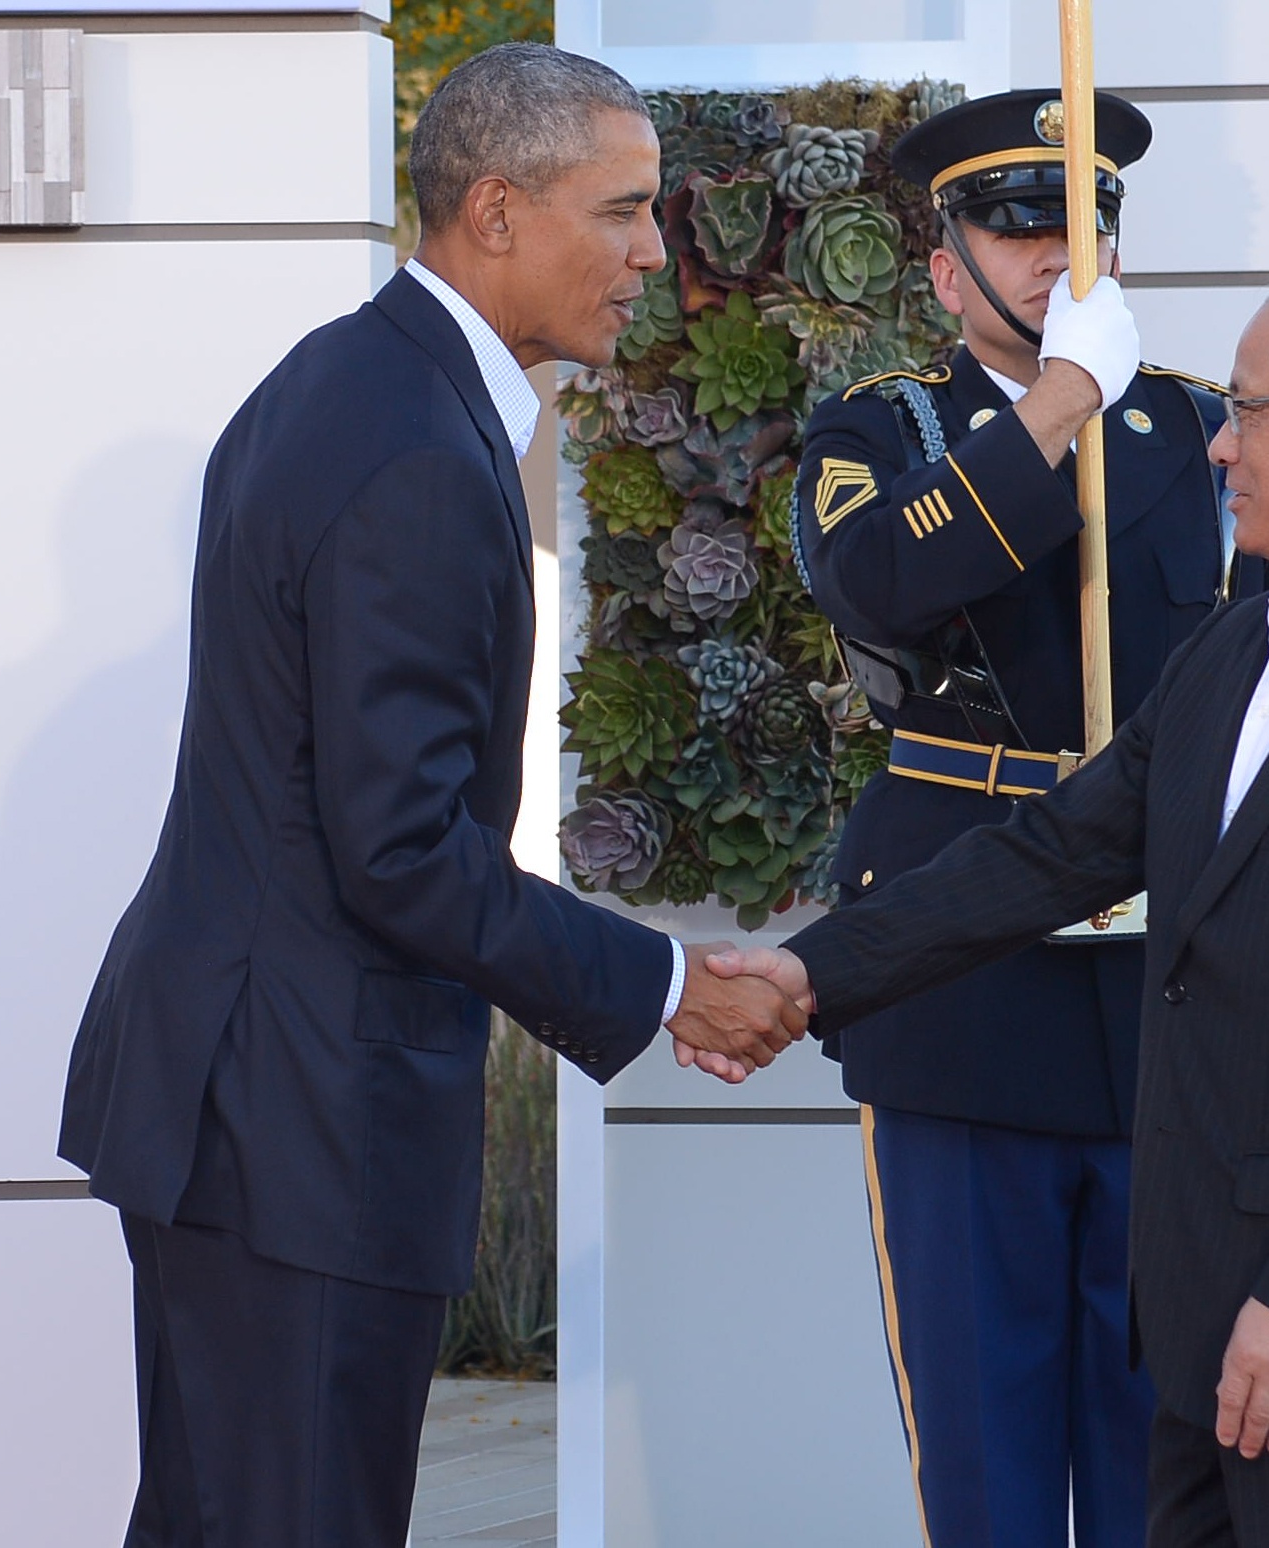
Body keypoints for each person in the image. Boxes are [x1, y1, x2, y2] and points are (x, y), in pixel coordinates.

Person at [56, 44, 804, 1547]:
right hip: (297, 1130)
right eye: (623, 211)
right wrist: (668, 987)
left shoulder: (351, 384)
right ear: (496, 211)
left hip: (252, 1111)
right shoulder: (408, 446)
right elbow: (398, 850)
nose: (652, 255)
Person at [713, 258, 1269, 1548]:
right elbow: (1053, 854)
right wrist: (813, 971)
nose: (1220, 443)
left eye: (1250, 409)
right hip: (1209, 1345)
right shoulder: (1239, 648)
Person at [781, 87, 1269, 1548]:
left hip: (1162, 994)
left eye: (1084, 223)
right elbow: (877, 586)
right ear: (948, 274)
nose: (1062, 255)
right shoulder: (881, 431)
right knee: (986, 1461)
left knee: (1156, 1459)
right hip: (964, 986)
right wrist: (1059, 406)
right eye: (1018, 230)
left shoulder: (1203, 430)